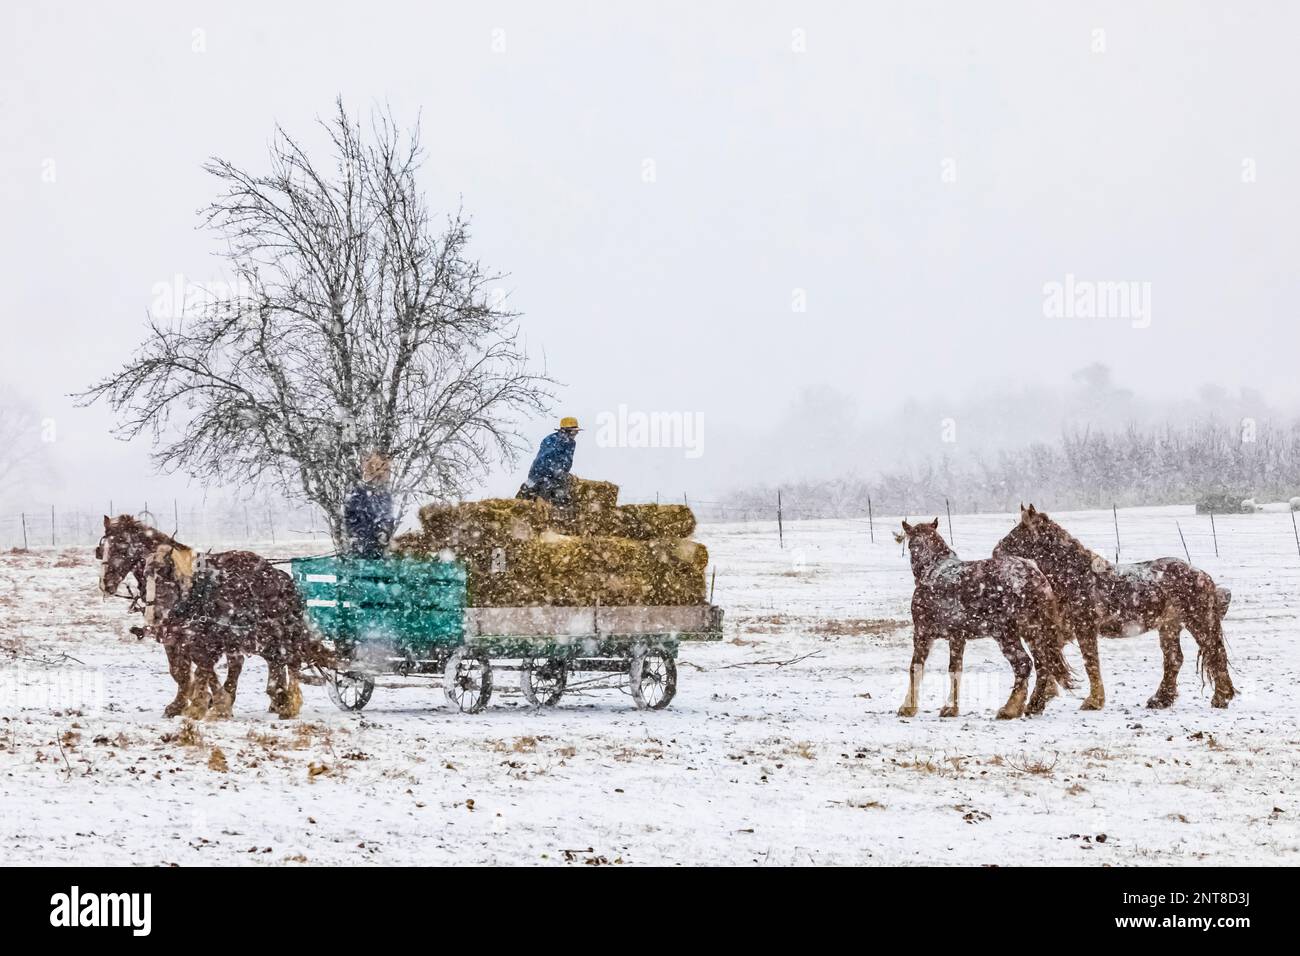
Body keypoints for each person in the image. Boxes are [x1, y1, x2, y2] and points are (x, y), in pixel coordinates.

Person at [342, 452, 396, 558]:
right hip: (362, 554)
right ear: (376, 471)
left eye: (389, 470)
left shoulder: (385, 495)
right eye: (386, 470)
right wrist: (373, 535)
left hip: (380, 553)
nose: (388, 473)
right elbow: (354, 524)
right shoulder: (359, 494)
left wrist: (385, 532)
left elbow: (388, 519)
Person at [517, 417, 581, 505]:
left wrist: (564, 473)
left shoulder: (571, 443)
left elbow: (566, 462)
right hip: (541, 475)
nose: (575, 434)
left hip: (557, 477)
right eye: (573, 431)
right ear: (565, 430)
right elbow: (544, 460)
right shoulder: (554, 440)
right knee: (533, 498)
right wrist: (557, 471)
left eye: (576, 432)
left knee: (564, 500)